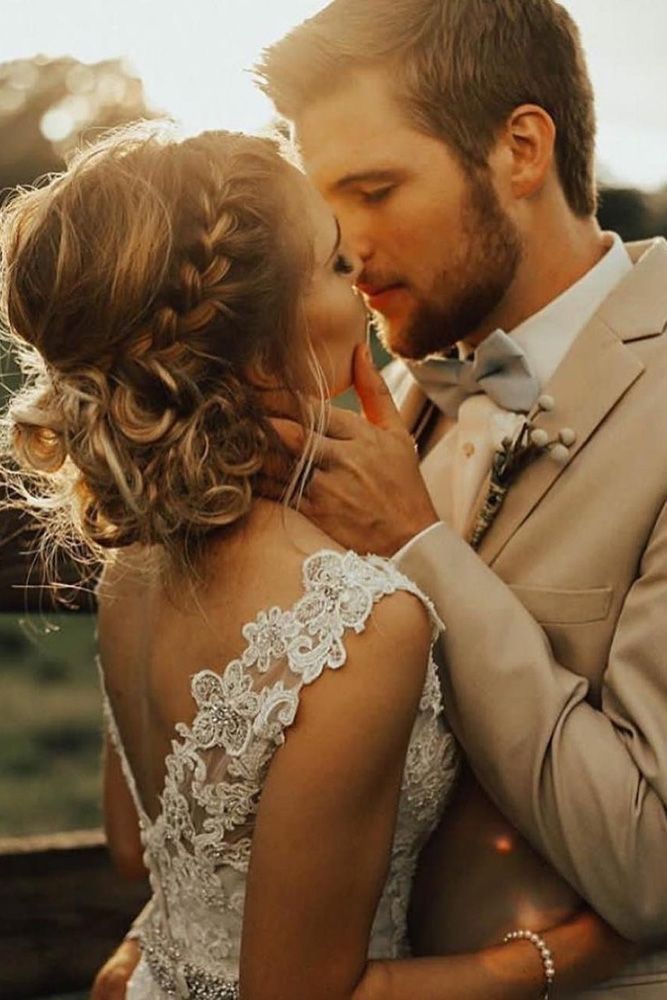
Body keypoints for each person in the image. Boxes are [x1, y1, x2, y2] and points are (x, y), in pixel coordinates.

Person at [1, 125, 630, 1000]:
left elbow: (131, 844)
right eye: (335, 265)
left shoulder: (134, 565)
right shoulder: (354, 622)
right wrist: (565, 954)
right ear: (263, 343)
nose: (362, 280)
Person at [258, 0, 667, 996]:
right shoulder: (392, 397)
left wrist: (417, 543)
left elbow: (653, 864)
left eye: (374, 187)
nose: (343, 246)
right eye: (324, 203)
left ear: (522, 149)